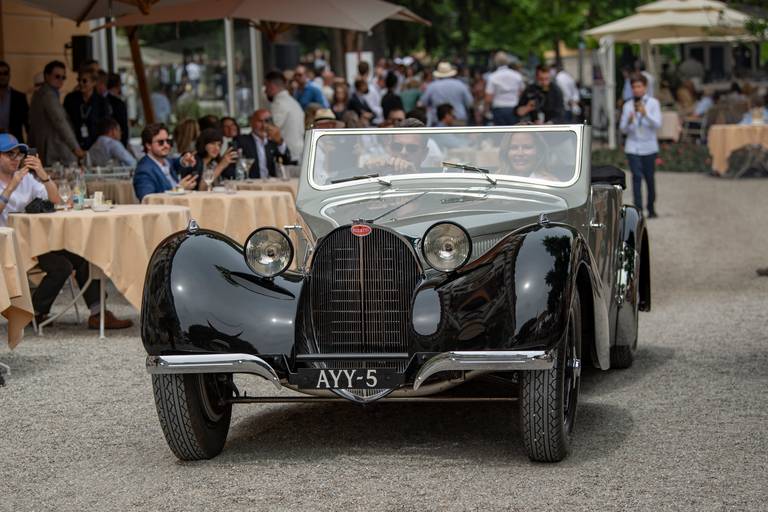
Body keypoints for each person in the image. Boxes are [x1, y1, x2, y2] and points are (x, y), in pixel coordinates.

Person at [0, 134, 131, 329]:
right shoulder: (15, 180)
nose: (16, 158)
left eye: (19, 154)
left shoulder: (27, 179)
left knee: (83, 253)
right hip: (10, 245)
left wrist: (43, 175)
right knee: (61, 266)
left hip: (37, 240)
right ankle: (33, 312)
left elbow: (57, 201)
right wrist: (11, 186)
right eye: (9, 154)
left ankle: (98, 312)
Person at [619, 74, 661, 218]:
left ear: (645, 87)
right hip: (633, 146)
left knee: (649, 178)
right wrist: (630, 121)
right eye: (634, 87)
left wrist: (646, 114)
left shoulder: (653, 103)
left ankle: (651, 207)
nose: (636, 90)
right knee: (636, 177)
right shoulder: (627, 105)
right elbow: (623, 129)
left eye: (639, 86)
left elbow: (658, 124)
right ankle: (638, 210)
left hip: (649, 146)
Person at [29, 60, 86, 165]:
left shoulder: (40, 94)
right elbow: (60, 122)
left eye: (63, 77)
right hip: (52, 152)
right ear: (46, 76)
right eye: (57, 76)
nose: (60, 80)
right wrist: (76, 148)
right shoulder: (48, 95)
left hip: (44, 149)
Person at [133, 123, 197, 201]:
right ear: (148, 145)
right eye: (161, 142)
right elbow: (147, 200)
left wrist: (183, 160)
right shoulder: (143, 170)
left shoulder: (166, 160)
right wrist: (179, 188)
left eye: (168, 141)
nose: (166, 145)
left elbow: (175, 162)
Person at [234, 109, 291, 179]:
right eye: (260, 121)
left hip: (271, 185)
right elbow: (233, 169)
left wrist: (280, 142)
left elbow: (286, 161)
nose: (264, 126)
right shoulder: (241, 141)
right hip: (251, 185)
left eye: (267, 121)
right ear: (251, 122)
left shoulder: (272, 142)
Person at [63, 68, 110, 150]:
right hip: (74, 143)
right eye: (79, 80)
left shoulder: (101, 102)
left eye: (84, 81)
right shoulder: (71, 99)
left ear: (93, 83)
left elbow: (105, 124)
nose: (80, 83)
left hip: (95, 144)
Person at [264, 70, 304, 162]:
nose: (265, 91)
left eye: (266, 87)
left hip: (288, 156)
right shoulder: (293, 102)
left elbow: (272, 130)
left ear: (272, 86)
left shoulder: (278, 104)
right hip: (299, 152)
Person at [485, 51, 525, 126]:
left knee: (501, 135)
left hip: (499, 109)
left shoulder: (493, 77)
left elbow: (488, 98)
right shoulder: (516, 75)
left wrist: (486, 110)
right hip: (514, 108)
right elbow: (522, 91)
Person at [0, 61, 29, 142]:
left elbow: (28, 125)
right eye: (0, 73)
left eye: (5, 73)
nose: (2, 76)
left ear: (9, 75)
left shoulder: (19, 97)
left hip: (14, 143)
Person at [105, 73, 129, 148]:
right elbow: (124, 125)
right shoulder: (119, 103)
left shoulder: (102, 100)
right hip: (117, 140)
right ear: (118, 86)